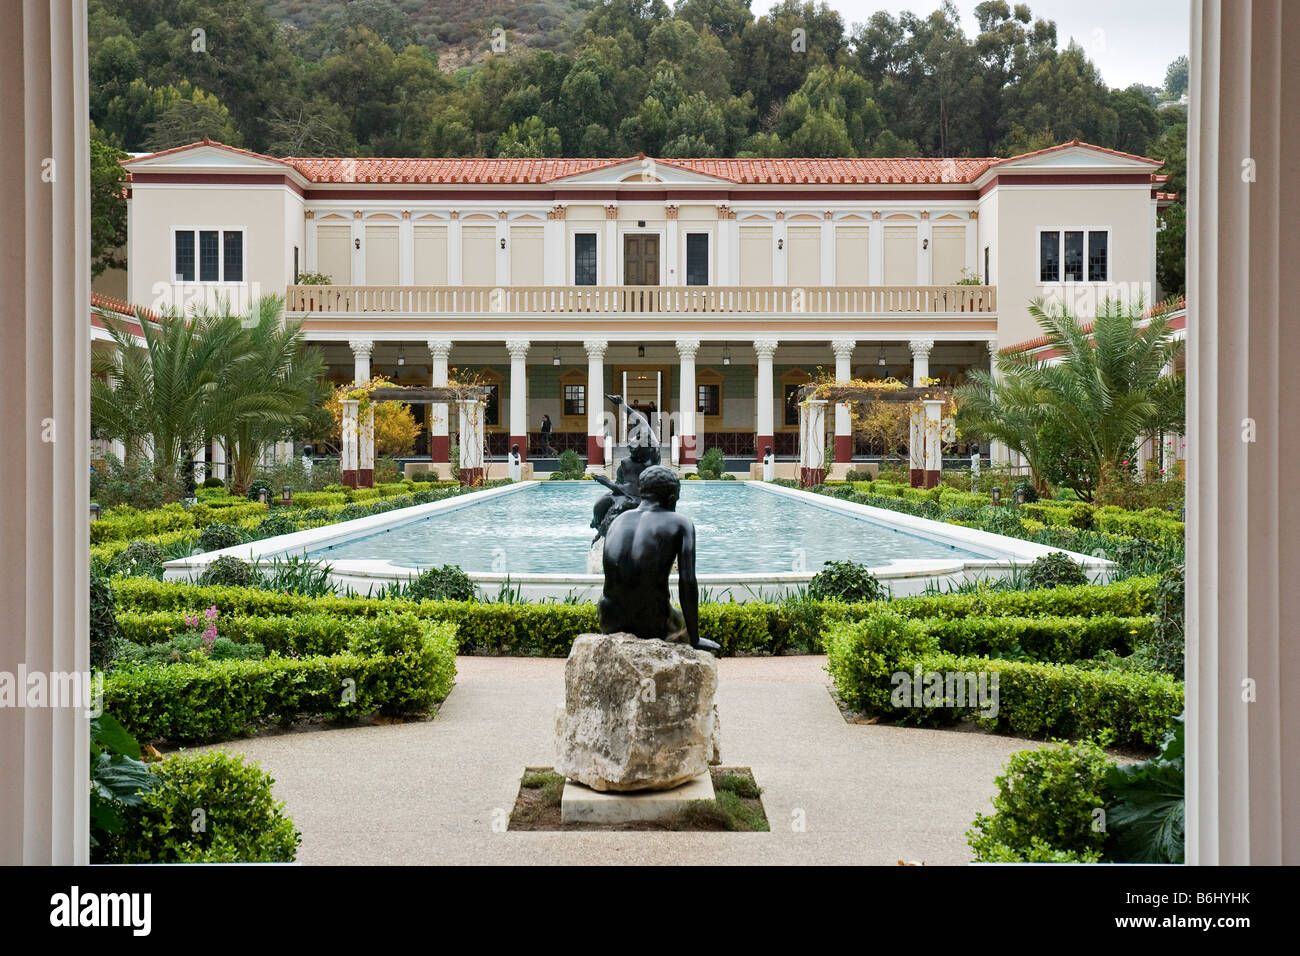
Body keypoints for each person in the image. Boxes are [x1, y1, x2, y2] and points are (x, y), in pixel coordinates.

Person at [598, 465, 719, 653]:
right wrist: (694, 639)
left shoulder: (618, 520)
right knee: (677, 619)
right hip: (651, 623)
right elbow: (687, 581)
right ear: (672, 497)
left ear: (642, 491)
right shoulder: (681, 523)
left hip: (608, 619)